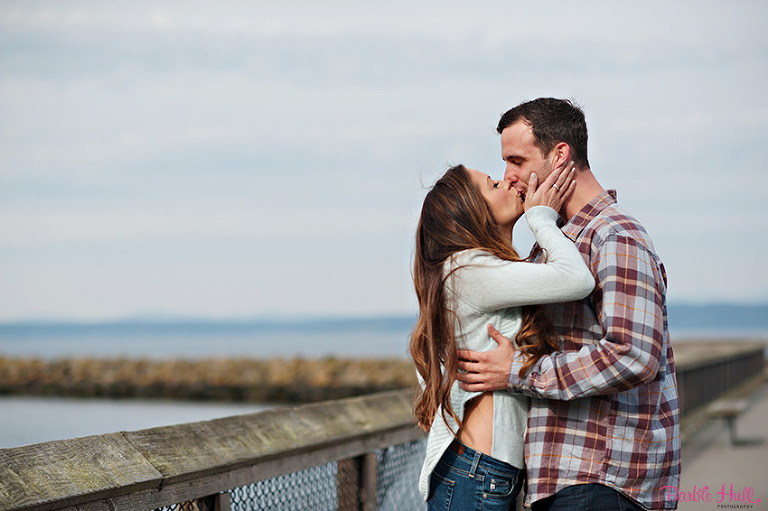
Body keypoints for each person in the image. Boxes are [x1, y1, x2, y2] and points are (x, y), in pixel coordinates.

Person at [456, 98, 681, 511]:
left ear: (560, 155)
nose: (509, 176)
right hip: (569, 477)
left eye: (517, 160)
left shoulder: (614, 236)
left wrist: (520, 373)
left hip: (602, 478)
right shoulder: (558, 244)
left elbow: (633, 354)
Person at [410, 161, 595, 510]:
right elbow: (577, 279)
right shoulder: (468, 270)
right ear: (472, 212)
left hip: (482, 474)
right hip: (477, 474)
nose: (508, 181)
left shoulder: (478, 270)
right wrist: (541, 218)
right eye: (494, 184)